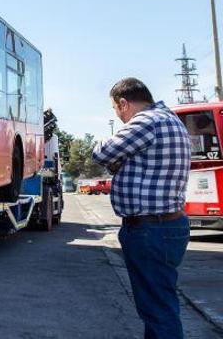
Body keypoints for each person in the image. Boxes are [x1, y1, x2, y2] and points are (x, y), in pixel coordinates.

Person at [91, 77, 190, 339]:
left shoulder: (146, 122)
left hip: (150, 230)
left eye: (116, 110)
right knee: (159, 304)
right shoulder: (170, 119)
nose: (120, 118)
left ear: (123, 103)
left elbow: (101, 153)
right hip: (167, 225)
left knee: (158, 310)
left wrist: (113, 153)